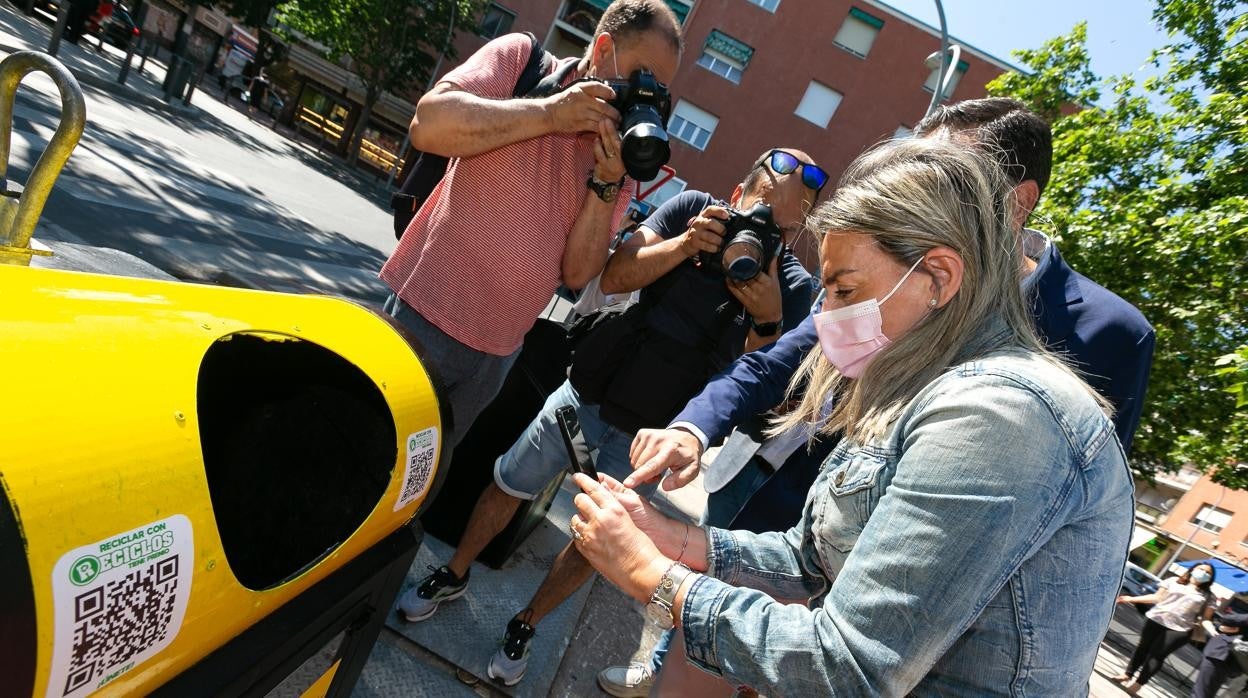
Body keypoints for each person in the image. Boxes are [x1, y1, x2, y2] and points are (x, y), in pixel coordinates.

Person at [597, 96, 1156, 697]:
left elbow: (852, 665)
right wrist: (674, 537)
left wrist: (652, 575)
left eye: (843, 290)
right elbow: (810, 557)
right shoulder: (917, 356)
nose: (827, 317)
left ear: (942, 275)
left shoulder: (1003, 409)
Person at [397, 148, 821, 686]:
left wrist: (765, 320)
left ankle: (527, 623)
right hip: (590, 392)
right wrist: (688, 242)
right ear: (736, 197)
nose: (760, 234)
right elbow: (616, 277)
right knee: (510, 482)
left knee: (593, 536)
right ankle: (454, 571)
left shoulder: (792, 290)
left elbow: (757, 389)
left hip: (651, 438)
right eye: (758, 213)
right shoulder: (691, 210)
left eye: (779, 228)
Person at [378, 0, 682, 452]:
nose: (647, 96)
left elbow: (578, 274)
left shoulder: (617, 153)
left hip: (499, 353)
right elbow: (428, 124)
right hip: (424, 314)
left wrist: (606, 181)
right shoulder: (523, 60)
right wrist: (550, 114)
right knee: (366, 440)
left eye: (660, 88)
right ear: (602, 50)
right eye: (642, 76)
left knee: (419, 475)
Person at [1115, 563, 1218, 693]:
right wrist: (1131, 598)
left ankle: (1138, 684)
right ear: (1193, 570)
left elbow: (1206, 619)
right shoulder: (1173, 581)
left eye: (1208, 573)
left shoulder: (1209, 596)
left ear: (1210, 578)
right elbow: (1157, 597)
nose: (1204, 573)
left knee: (1157, 654)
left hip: (1180, 628)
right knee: (1143, 647)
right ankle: (1127, 675)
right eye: (1201, 569)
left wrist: (1213, 631)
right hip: (1156, 619)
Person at [1192, 611, 1248, 698]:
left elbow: (1226, 620)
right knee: (1203, 693)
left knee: (1202, 694)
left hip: (1227, 658)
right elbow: (1227, 619)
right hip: (1226, 657)